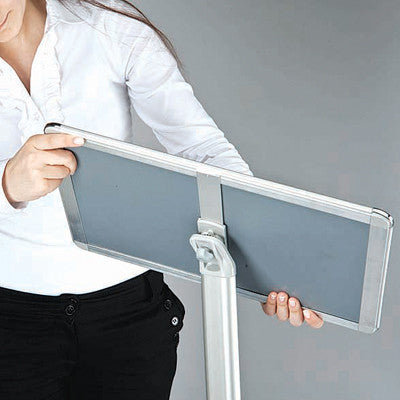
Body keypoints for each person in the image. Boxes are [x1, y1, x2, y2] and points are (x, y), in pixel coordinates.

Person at [0, 0, 324, 398]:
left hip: (129, 320)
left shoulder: (108, 26)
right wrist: (7, 183)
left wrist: (277, 263)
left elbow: (202, 151)